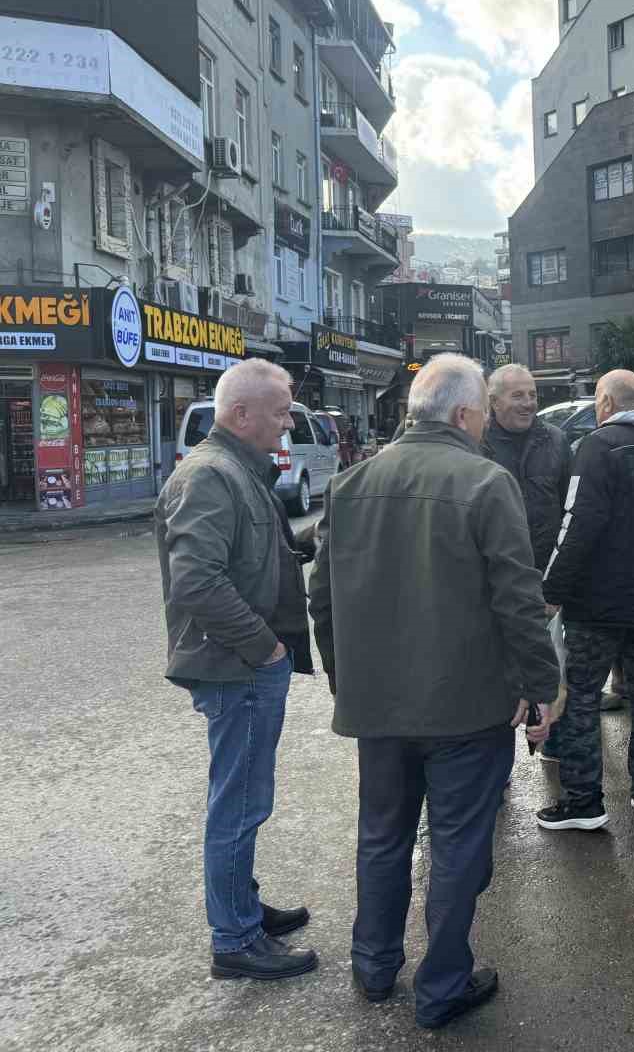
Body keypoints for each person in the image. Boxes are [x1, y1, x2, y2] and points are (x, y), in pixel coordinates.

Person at [307, 354, 562, 1030]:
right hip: (466, 707)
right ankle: (442, 984)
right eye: (480, 411)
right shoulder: (485, 482)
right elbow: (517, 598)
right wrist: (542, 688)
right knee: (456, 846)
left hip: (379, 706)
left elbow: (321, 595)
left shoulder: (351, 483)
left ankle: (373, 964)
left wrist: (344, 676)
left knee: (382, 837)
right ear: (460, 414)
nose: (482, 425)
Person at [155, 358, 318, 982]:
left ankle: (242, 907)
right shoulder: (210, 476)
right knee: (239, 805)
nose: (287, 425)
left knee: (245, 798)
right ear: (240, 413)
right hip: (238, 666)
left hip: (246, 663)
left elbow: (255, 554)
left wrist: (308, 542)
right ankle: (235, 938)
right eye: (280, 412)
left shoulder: (237, 471)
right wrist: (265, 648)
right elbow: (198, 580)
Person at [537, 369, 634, 831]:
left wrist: (553, 590)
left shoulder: (598, 447)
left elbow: (577, 524)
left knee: (583, 696)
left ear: (605, 402)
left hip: (598, 603)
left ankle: (584, 802)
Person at [482, 363, 573, 764]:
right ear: (493, 400)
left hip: (544, 578)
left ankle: (551, 740)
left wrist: (558, 582)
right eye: (518, 395)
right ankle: (493, 764)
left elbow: (571, 511)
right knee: (494, 673)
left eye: (532, 394)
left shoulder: (555, 440)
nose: (528, 402)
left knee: (551, 664)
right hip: (491, 582)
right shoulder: (477, 441)